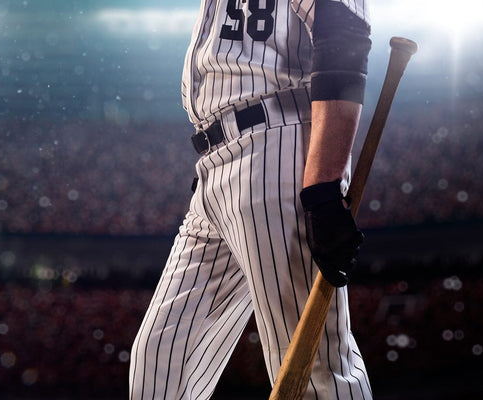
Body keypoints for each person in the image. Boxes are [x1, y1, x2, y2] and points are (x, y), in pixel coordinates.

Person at [129, 0, 372, 399]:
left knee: (315, 371)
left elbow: (342, 28)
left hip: (275, 147)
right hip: (215, 160)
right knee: (162, 359)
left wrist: (323, 187)